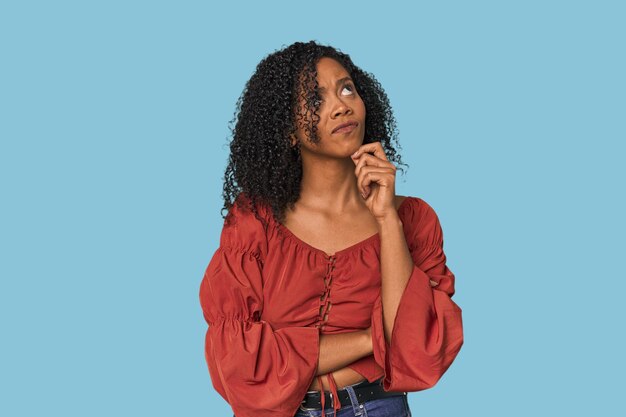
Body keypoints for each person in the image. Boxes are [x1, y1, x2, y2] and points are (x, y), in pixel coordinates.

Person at [199, 40, 464, 417]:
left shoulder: (413, 220)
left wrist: (387, 218)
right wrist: (374, 340)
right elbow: (239, 361)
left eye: (346, 88)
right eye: (314, 100)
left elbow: (420, 349)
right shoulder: (253, 222)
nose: (340, 105)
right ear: (288, 130)